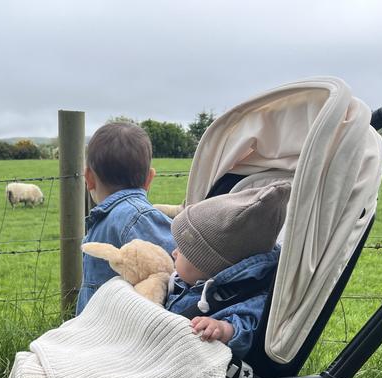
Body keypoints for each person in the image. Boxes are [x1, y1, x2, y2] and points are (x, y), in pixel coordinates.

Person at [166, 182, 291, 357]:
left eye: (182, 250)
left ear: (207, 264)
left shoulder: (250, 296)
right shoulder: (187, 278)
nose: (173, 253)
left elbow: (249, 328)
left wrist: (223, 329)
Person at [76, 122, 175, 314]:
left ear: (88, 178)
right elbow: (177, 266)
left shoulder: (136, 218)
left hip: (105, 332)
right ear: (149, 179)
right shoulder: (138, 218)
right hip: (122, 333)